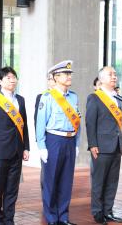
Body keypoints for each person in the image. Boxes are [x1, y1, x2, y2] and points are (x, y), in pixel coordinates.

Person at [0, 67, 30, 225]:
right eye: (8, 77)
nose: (12, 80)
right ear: (0, 81)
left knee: (12, 189)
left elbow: (24, 126)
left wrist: (26, 147)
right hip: (0, 152)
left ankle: (9, 219)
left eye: (14, 77)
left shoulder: (21, 100)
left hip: (17, 151)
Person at [36, 60, 80, 225]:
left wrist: (76, 143)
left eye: (69, 74)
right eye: (65, 74)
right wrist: (41, 146)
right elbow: (40, 123)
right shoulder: (47, 97)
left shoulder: (74, 96)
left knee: (66, 181)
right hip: (53, 140)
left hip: (70, 140)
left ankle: (63, 216)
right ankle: (52, 217)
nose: (69, 77)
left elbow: (78, 122)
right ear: (55, 77)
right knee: (51, 180)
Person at [86, 66, 122, 224]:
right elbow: (90, 123)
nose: (114, 77)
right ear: (101, 79)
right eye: (110, 74)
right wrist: (92, 144)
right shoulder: (94, 97)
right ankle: (97, 212)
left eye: (115, 74)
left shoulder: (118, 98)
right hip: (101, 146)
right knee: (99, 181)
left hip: (116, 145)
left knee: (112, 181)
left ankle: (108, 211)